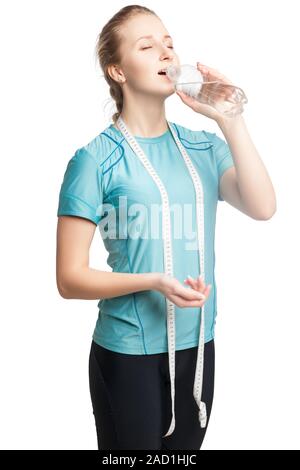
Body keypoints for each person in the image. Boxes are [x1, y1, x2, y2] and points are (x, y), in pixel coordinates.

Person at [56, 5, 277, 450]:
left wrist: (230, 118)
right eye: (147, 45)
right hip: (127, 352)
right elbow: (69, 279)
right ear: (116, 70)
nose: (165, 52)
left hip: (199, 345)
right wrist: (154, 282)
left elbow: (263, 207)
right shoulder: (94, 160)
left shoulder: (203, 146)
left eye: (169, 42)